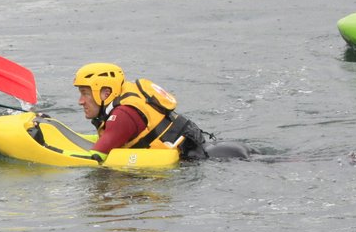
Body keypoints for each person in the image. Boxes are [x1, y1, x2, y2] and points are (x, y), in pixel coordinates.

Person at [73, 63, 247, 161]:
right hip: (217, 149)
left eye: (85, 93)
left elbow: (93, 159)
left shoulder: (122, 116)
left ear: (106, 92)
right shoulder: (124, 99)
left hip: (216, 159)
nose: (80, 101)